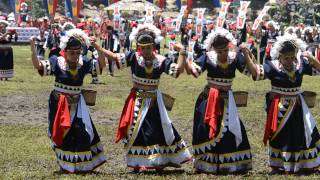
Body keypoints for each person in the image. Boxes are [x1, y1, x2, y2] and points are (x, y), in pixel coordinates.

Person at [93, 24, 192, 172]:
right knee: (137, 132)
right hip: (137, 99)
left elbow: (177, 72)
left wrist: (183, 53)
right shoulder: (134, 57)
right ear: (138, 46)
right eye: (143, 47)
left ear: (153, 46)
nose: (145, 51)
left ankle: (160, 160)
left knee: (160, 130)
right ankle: (139, 162)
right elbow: (114, 57)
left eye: (148, 47)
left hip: (154, 101)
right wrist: (99, 49)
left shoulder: (161, 60)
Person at [29, 29, 106, 173]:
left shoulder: (84, 63)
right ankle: (65, 165)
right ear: (65, 51)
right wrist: (33, 50)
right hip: (59, 104)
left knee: (81, 132)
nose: (76, 56)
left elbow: (101, 66)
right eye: (72, 53)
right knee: (61, 133)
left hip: (78, 104)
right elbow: (39, 67)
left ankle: (82, 165)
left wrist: (98, 49)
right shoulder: (56, 62)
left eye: (78, 53)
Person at [185, 28, 257, 174]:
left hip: (227, 99)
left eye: (225, 50)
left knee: (231, 129)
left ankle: (231, 163)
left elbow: (253, 73)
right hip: (209, 99)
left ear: (229, 47)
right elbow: (193, 72)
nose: (223, 54)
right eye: (219, 52)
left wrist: (246, 54)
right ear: (213, 49)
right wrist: (183, 56)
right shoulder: (207, 57)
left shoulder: (234, 57)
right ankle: (204, 164)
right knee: (204, 130)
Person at [252, 34, 320, 174]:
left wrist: (313, 59)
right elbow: (256, 74)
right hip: (279, 107)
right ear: (279, 57)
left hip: (298, 106)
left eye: (292, 57)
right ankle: (277, 165)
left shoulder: (301, 64)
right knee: (279, 134)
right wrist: (247, 55)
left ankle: (302, 164)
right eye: (286, 58)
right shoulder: (272, 66)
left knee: (299, 133)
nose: (289, 61)